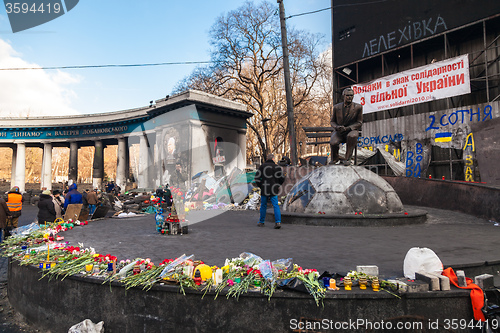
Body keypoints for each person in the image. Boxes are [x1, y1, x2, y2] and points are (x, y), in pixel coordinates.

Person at [329, 87, 363, 166]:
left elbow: (359, 122)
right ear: (343, 96)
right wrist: (337, 127)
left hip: (351, 130)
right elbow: (332, 121)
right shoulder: (337, 107)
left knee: (352, 136)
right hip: (339, 131)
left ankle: (347, 159)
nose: (349, 97)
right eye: (347, 95)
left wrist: (348, 128)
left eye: (351, 95)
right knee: (333, 142)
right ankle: (335, 158)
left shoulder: (358, 107)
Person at [254, 153, 285, 229]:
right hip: (273, 189)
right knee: (275, 205)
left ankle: (261, 222)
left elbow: (257, 178)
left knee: (263, 205)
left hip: (264, 189)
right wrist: (277, 185)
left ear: (267, 159)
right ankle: (278, 222)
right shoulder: (277, 167)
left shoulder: (262, 167)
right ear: (273, 159)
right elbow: (282, 178)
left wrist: (260, 185)